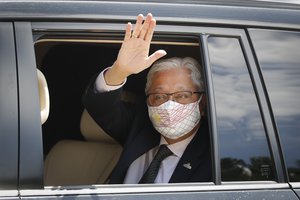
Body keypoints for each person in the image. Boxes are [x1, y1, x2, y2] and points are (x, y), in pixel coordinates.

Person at [83, 13, 211, 184]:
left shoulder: (215, 157)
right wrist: (120, 70)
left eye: (182, 95)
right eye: (159, 96)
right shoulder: (140, 128)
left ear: (202, 103)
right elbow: (101, 106)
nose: (169, 105)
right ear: (148, 102)